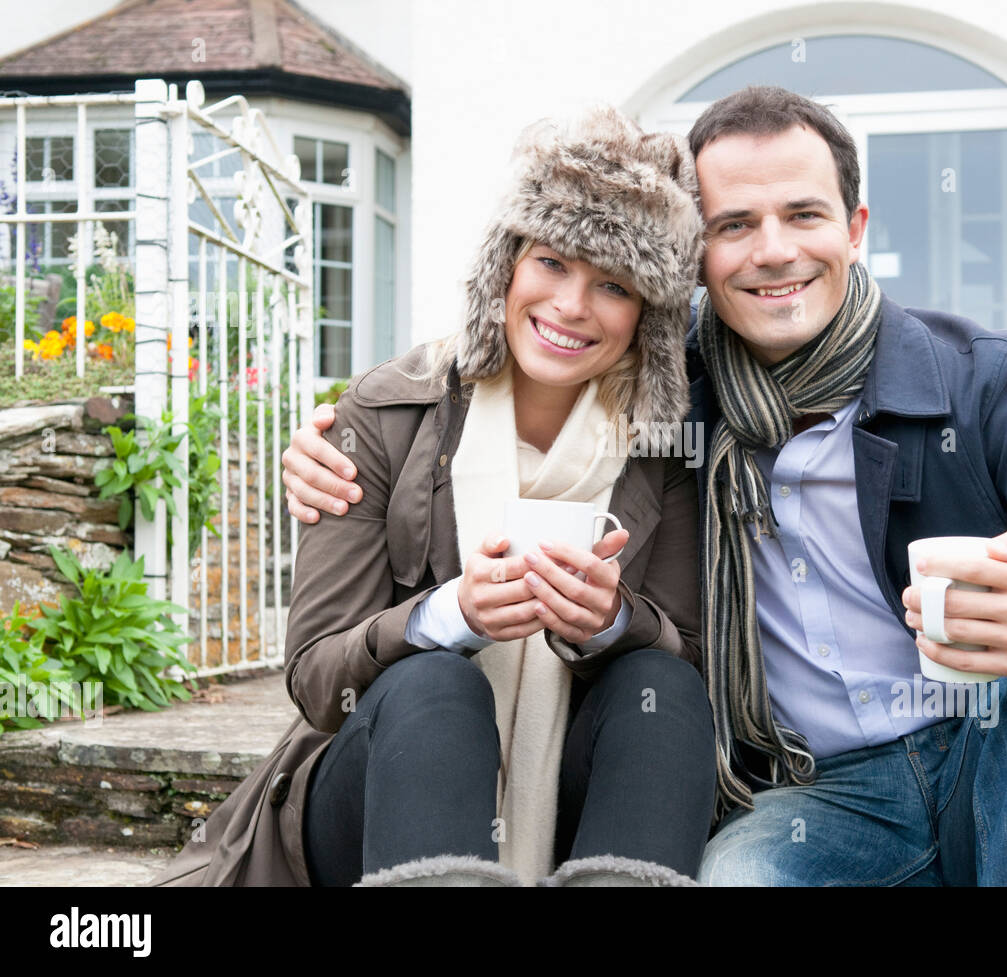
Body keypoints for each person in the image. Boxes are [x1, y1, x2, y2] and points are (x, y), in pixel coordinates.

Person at [281, 86, 1007, 886]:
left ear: (856, 227)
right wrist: (336, 442)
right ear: (693, 258)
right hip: (820, 790)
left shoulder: (968, 384)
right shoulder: (659, 392)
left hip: (994, 739)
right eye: (734, 224)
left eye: (804, 215)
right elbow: (503, 364)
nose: (773, 250)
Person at [150, 106, 716, 887]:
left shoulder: (668, 446)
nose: (572, 306)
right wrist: (450, 616)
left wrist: (612, 623)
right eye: (552, 262)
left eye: (613, 284)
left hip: (576, 802)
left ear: (646, 315)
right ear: (507, 265)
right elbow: (319, 679)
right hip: (369, 795)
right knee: (433, 678)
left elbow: (693, 652)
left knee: (662, 687)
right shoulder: (384, 413)